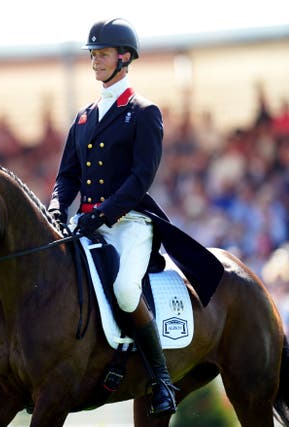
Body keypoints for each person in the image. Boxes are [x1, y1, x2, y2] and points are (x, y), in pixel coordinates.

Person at [47, 18, 178, 416]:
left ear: (124, 58)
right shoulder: (84, 117)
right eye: (93, 55)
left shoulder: (143, 112)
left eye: (101, 54)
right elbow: (67, 175)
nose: (95, 62)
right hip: (86, 224)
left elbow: (141, 177)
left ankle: (161, 380)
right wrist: (56, 207)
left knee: (124, 289)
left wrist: (103, 212)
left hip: (130, 223)